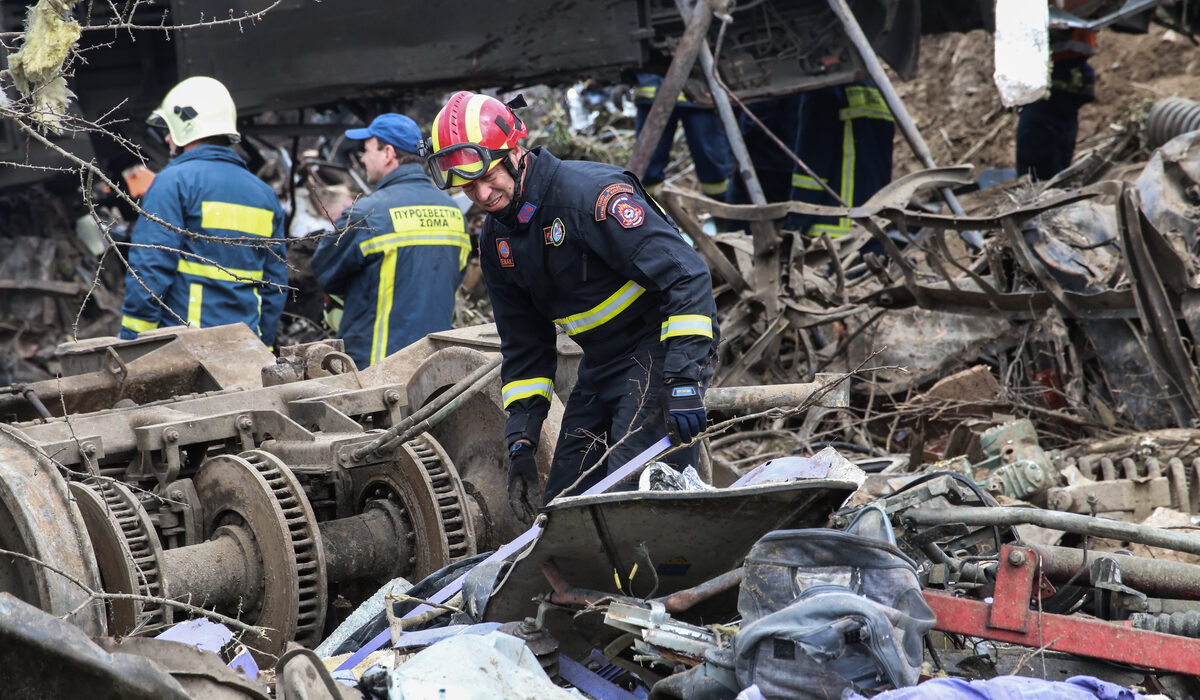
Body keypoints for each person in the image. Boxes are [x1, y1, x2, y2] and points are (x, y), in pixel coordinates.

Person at [422, 91, 719, 517]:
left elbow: (686, 275)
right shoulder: (496, 240)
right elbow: (525, 345)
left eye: (490, 178)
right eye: (469, 187)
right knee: (565, 506)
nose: (483, 194)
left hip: (660, 347)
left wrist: (684, 379)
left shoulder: (589, 197)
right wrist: (521, 440)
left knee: (629, 493)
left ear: (515, 152)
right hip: (601, 362)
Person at [119, 76, 287, 347]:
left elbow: (150, 268)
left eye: (170, 129)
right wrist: (263, 347)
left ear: (187, 128)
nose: (166, 138)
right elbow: (275, 284)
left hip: (185, 350)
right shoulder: (264, 195)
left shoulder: (173, 182)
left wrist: (132, 340)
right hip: (245, 349)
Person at [311, 114, 469, 369]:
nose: (362, 158)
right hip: (434, 370)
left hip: (376, 369)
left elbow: (325, 272)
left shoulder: (367, 214)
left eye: (367, 149)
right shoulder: (454, 212)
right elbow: (454, 278)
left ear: (387, 153)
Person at [786, 80, 895, 236]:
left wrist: (797, 221)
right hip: (874, 221)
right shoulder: (876, 88)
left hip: (834, 230)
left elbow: (813, 161)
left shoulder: (822, 90)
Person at [633, 73, 735, 200]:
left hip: (699, 93)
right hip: (654, 92)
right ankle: (649, 212)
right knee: (647, 167)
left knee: (713, 164)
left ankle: (724, 211)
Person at [1015, 27, 1096, 181]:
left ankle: (1043, 180)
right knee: (1059, 128)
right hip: (1073, 74)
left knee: (1040, 129)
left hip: (1055, 72)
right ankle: (1053, 177)